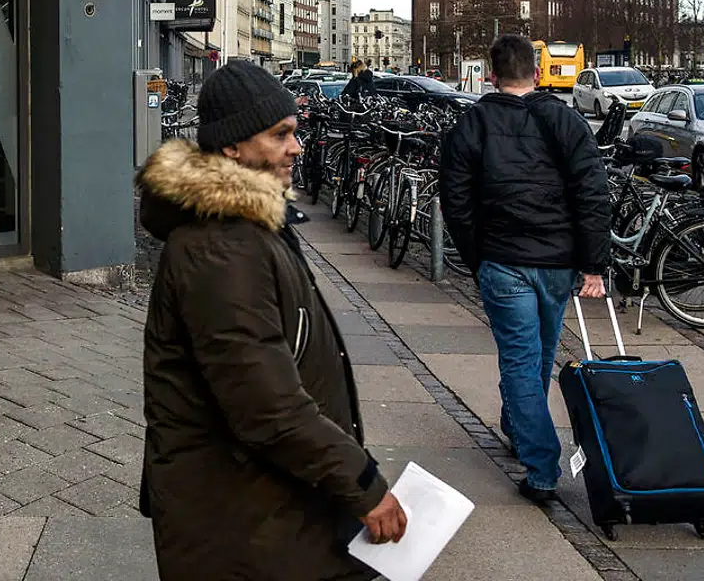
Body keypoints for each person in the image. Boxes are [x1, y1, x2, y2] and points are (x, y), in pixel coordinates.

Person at [137, 61, 406, 580]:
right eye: (279, 135)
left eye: (295, 132)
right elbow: (266, 405)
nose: (296, 148)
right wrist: (362, 484)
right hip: (240, 518)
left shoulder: (248, 227)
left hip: (269, 504)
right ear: (232, 148)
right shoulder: (220, 246)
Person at [439, 35, 611, 503]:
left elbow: (456, 200)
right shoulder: (566, 120)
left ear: (491, 76)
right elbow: (592, 192)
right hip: (556, 261)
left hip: (503, 259)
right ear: (536, 74)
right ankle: (522, 432)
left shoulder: (472, 124)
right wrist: (592, 264)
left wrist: (476, 256)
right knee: (539, 356)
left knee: (520, 360)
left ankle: (541, 468)